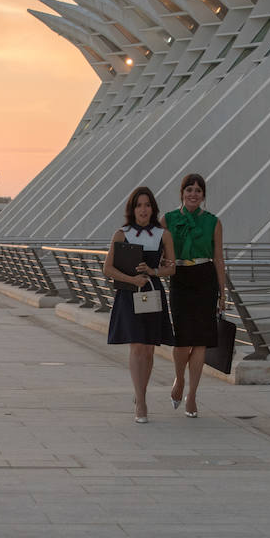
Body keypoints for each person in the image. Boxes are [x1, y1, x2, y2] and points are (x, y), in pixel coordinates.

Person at [103, 187, 176, 423]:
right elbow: (108, 268)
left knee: (148, 348)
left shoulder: (162, 235)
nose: (143, 210)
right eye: (138, 205)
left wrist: (153, 271)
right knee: (136, 346)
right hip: (129, 295)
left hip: (152, 295)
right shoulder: (122, 234)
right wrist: (132, 279)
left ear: (153, 208)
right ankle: (141, 402)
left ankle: (140, 394)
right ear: (132, 209)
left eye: (147, 205)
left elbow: (172, 268)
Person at [161, 174, 227, 418]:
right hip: (180, 277)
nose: (193, 194)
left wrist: (223, 292)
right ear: (182, 192)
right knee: (181, 340)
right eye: (189, 189)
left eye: (198, 190)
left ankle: (192, 395)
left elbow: (218, 258)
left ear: (203, 195)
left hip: (204, 278)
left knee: (200, 341)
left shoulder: (213, 222)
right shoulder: (167, 220)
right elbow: (156, 250)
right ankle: (179, 380)